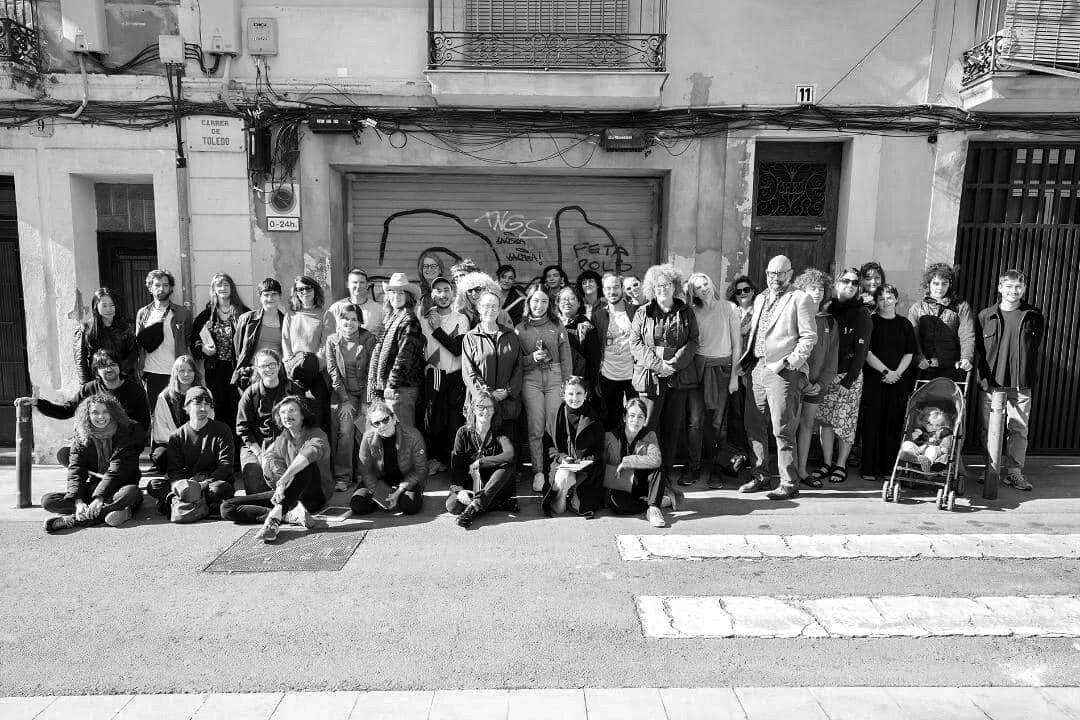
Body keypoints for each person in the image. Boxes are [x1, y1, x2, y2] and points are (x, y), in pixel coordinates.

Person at [738, 255, 817, 500]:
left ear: (790, 274)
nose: (776, 278)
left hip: (783, 371)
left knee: (782, 428)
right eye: (772, 273)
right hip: (757, 367)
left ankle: (789, 482)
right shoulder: (760, 297)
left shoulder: (800, 298)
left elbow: (809, 337)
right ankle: (760, 476)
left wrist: (791, 362)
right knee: (754, 424)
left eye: (781, 273)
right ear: (766, 274)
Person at [221, 395, 331, 542]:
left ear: (303, 415)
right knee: (227, 507)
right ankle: (288, 515)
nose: (287, 415)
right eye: (283, 412)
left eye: (292, 410)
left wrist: (283, 481)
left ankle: (276, 516)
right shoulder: (282, 439)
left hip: (315, 494)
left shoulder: (317, 433)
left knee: (306, 464)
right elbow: (276, 465)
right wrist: (281, 487)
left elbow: (310, 453)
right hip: (289, 494)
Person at [627, 264, 699, 487]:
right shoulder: (643, 312)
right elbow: (635, 343)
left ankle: (664, 476)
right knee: (648, 426)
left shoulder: (686, 311)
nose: (663, 288)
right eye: (658, 285)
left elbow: (693, 340)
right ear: (652, 287)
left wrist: (674, 364)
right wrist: (658, 365)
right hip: (650, 377)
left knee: (671, 428)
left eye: (667, 284)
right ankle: (646, 475)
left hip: (677, 378)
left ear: (674, 286)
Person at [975, 269, 1044, 491]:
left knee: (1019, 430)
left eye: (1018, 287)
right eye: (1009, 286)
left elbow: (1034, 350)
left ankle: (1014, 473)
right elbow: (978, 351)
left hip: (1020, 384)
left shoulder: (1033, 315)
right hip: (991, 385)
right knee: (989, 430)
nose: (1013, 291)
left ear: (1023, 289)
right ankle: (990, 470)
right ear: (1000, 288)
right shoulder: (985, 315)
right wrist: (981, 378)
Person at [39, 393, 146, 533]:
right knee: (48, 501)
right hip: (94, 486)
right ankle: (112, 511)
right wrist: (78, 502)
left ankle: (74, 520)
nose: (101, 417)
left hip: (120, 486)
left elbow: (116, 471)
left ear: (113, 413)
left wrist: (99, 498)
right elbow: (76, 470)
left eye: (105, 412)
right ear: (87, 415)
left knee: (132, 493)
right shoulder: (82, 435)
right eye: (95, 412)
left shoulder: (128, 431)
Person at [811, 268, 872, 485]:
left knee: (846, 423)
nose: (850, 285)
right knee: (826, 422)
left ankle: (841, 465)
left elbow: (862, 352)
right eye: (846, 281)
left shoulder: (862, 313)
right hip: (826, 375)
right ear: (837, 283)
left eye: (855, 283)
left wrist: (848, 381)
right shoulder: (828, 308)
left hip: (849, 376)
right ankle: (827, 462)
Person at [31, 350, 151, 461]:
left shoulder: (135, 390)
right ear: (96, 370)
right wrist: (39, 403)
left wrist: (128, 440)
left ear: (119, 366)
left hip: (124, 442)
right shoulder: (89, 388)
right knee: (68, 454)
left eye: (112, 364)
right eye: (103, 366)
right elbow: (67, 410)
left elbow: (144, 423)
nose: (109, 369)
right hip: (97, 442)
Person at [684, 272, 741, 487]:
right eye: (698, 287)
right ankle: (693, 467)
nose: (703, 289)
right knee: (695, 421)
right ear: (693, 292)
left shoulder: (729, 308)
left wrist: (734, 377)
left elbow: (737, 345)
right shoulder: (691, 311)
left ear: (712, 283)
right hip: (697, 369)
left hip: (723, 370)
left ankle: (717, 470)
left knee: (719, 423)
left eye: (705, 283)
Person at [516, 285, 572, 492]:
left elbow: (566, 355)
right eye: (535, 301)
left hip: (555, 376)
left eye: (544, 301)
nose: (539, 305)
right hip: (530, 379)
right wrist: (531, 358)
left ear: (549, 304)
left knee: (555, 426)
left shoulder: (557, 325)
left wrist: (567, 382)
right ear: (528, 303)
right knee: (536, 427)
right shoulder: (520, 328)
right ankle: (538, 471)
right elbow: (516, 361)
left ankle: (556, 469)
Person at [860, 283, 917, 482]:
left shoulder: (905, 324)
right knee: (872, 424)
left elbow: (909, 353)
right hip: (874, 380)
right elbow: (867, 352)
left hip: (898, 382)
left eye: (890, 298)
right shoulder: (871, 322)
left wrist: (896, 374)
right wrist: (886, 372)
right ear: (877, 301)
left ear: (896, 300)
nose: (886, 302)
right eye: (882, 298)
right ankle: (869, 468)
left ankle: (888, 468)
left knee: (893, 424)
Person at [150, 386, 235, 518]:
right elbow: (174, 470)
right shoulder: (177, 436)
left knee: (220, 488)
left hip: (211, 483)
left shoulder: (223, 430)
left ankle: (181, 503)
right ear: (187, 407)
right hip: (187, 483)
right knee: (154, 485)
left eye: (207, 404)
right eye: (198, 404)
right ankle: (202, 504)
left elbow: (226, 465)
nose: (203, 408)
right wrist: (183, 485)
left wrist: (204, 484)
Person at [190, 273, 248, 452]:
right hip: (215, 369)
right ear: (214, 290)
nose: (223, 288)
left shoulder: (244, 313)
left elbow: (252, 341)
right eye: (219, 285)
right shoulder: (206, 316)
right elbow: (194, 341)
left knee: (238, 408)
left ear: (232, 288)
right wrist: (203, 349)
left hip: (237, 370)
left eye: (226, 285)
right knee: (219, 408)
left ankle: (240, 452)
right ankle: (223, 450)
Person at [446, 390, 519, 528]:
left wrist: (481, 462)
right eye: (480, 406)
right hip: (470, 485)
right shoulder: (463, 432)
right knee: (452, 506)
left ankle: (475, 506)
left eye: (489, 407)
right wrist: (459, 490)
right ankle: (497, 504)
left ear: (494, 410)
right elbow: (456, 465)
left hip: (493, 484)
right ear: (473, 409)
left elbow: (510, 455)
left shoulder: (500, 431)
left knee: (508, 466)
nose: (485, 411)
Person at [793, 269, 839, 488]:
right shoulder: (794, 315)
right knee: (789, 427)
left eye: (821, 288)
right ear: (802, 289)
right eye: (812, 288)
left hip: (816, 385)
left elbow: (832, 357)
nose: (817, 292)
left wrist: (820, 383)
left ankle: (802, 470)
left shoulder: (829, 322)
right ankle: (787, 472)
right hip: (793, 381)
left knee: (807, 425)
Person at [325, 302, 377, 491]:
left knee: (363, 432)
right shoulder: (332, 340)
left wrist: (366, 401)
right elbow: (333, 371)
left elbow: (372, 371)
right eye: (345, 318)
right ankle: (343, 477)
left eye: (354, 319)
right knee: (346, 432)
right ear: (339, 320)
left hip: (364, 392)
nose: (349, 323)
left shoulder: (369, 338)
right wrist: (345, 400)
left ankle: (363, 474)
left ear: (360, 321)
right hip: (343, 394)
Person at [420, 276, 469, 476]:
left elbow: (457, 349)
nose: (443, 294)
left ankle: (453, 463)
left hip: (455, 375)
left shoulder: (461, 318)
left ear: (453, 293)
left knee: (455, 421)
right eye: (438, 290)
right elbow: (419, 347)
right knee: (434, 420)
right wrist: (425, 365)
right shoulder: (424, 318)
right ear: (432, 295)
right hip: (435, 375)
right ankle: (437, 459)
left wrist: (437, 330)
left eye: (446, 289)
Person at [368, 272, 426, 429]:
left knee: (403, 433)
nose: (396, 296)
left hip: (401, 389)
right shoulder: (391, 318)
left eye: (401, 292)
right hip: (391, 388)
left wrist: (392, 384)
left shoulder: (409, 320)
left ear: (408, 296)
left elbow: (404, 357)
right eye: (392, 292)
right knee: (391, 433)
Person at [541, 376, 604, 518]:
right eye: (570, 393)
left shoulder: (594, 417)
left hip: (587, 467)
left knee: (581, 507)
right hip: (563, 464)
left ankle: (576, 494)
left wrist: (585, 462)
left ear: (585, 395)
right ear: (563, 395)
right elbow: (548, 446)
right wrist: (562, 458)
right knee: (564, 479)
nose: (574, 398)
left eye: (579, 393)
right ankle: (561, 496)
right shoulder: (554, 416)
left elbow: (599, 448)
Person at [462, 290, 523, 435]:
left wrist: (507, 391)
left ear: (499, 309)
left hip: (507, 405)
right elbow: (468, 372)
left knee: (506, 445)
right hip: (481, 406)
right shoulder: (470, 337)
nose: (490, 309)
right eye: (486, 306)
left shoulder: (511, 336)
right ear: (479, 308)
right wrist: (487, 393)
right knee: (482, 444)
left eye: (494, 306)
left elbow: (518, 368)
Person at [351, 401, 427, 516]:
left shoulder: (413, 435)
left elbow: (420, 470)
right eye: (376, 423)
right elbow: (365, 470)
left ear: (394, 418)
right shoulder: (367, 437)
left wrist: (400, 490)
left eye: (385, 420)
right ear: (372, 425)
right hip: (378, 479)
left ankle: (399, 496)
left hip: (405, 479)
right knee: (357, 505)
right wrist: (380, 494)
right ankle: (386, 499)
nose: (382, 426)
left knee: (410, 506)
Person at [135, 269, 193, 417]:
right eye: (157, 285)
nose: (161, 289)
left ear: (171, 288)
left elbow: (188, 343)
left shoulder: (182, 313)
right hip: (151, 372)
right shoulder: (143, 313)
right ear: (150, 288)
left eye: (165, 285)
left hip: (175, 372)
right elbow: (138, 343)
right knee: (155, 415)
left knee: (179, 414)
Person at [604, 398, 668, 528]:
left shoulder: (649, 435)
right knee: (616, 504)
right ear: (624, 418)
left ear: (645, 420)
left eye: (640, 417)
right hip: (621, 484)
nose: (636, 420)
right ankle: (654, 502)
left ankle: (654, 508)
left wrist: (627, 461)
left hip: (643, 483)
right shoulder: (610, 436)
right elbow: (602, 464)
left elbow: (656, 460)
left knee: (658, 467)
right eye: (631, 415)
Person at [908, 262, 975, 380]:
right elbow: (912, 337)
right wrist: (919, 358)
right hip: (922, 368)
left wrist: (966, 358)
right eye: (936, 283)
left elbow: (967, 335)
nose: (940, 288)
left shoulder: (961, 307)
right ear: (928, 284)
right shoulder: (916, 308)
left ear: (950, 284)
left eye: (944, 283)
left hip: (951, 368)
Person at [236, 348, 289, 493]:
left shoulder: (291, 390)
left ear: (279, 365)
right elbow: (243, 428)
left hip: (286, 444)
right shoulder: (250, 394)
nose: (268, 369)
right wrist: (260, 455)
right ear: (258, 369)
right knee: (256, 483)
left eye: (272, 364)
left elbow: (301, 423)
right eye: (263, 366)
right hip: (257, 446)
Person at [593, 272, 639, 431]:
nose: (612, 292)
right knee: (612, 419)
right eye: (608, 288)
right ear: (603, 291)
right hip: (608, 375)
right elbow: (595, 348)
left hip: (633, 375)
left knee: (635, 418)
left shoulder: (635, 311)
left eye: (616, 287)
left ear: (622, 289)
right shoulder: (598, 315)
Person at [724, 274, 759, 474]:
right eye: (738, 291)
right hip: (732, 371)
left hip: (753, 371)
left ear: (753, 291)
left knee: (752, 417)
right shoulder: (731, 311)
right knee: (735, 416)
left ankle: (755, 458)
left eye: (747, 289)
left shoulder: (760, 311)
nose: (743, 293)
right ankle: (739, 456)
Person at [149, 355, 204, 473]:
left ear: (195, 373)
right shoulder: (164, 397)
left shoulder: (203, 394)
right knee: (161, 456)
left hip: (197, 443)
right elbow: (161, 430)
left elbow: (209, 422)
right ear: (175, 373)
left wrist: (193, 443)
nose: (186, 374)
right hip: (171, 443)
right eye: (182, 371)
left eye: (190, 370)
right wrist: (181, 444)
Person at [74, 287, 137, 384]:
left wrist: (121, 372)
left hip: (122, 381)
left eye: (112, 305)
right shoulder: (86, 329)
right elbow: (80, 361)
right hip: (97, 382)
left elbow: (133, 352)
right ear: (96, 306)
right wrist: (85, 385)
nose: (109, 309)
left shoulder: (124, 328)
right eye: (104, 306)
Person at [232, 278, 285, 389]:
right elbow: (238, 351)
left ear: (280, 296)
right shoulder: (247, 319)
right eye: (266, 295)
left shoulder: (287, 322)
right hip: (252, 374)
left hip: (278, 374)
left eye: (274, 294)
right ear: (260, 297)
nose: (270, 298)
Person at [557, 286, 602, 395]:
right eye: (563, 299)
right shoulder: (552, 324)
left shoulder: (586, 327)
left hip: (577, 384)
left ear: (579, 303)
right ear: (558, 303)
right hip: (554, 381)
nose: (567, 302)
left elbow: (593, 361)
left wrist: (588, 385)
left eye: (572, 299)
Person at [325, 267, 385, 338]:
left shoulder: (379, 310)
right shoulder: (336, 308)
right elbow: (327, 334)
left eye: (362, 282)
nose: (358, 286)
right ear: (347, 284)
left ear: (367, 285)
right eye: (355, 282)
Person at [282, 275, 328, 362]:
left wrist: (315, 364)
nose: (305, 292)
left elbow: (326, 344)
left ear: (315, 290)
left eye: (308, 288)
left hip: (317, 365)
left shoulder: (325, 315)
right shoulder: (290, 315)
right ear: (296, 292)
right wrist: (290, 362)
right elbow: (285, 341)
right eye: (300, 289)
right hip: (294, 365)